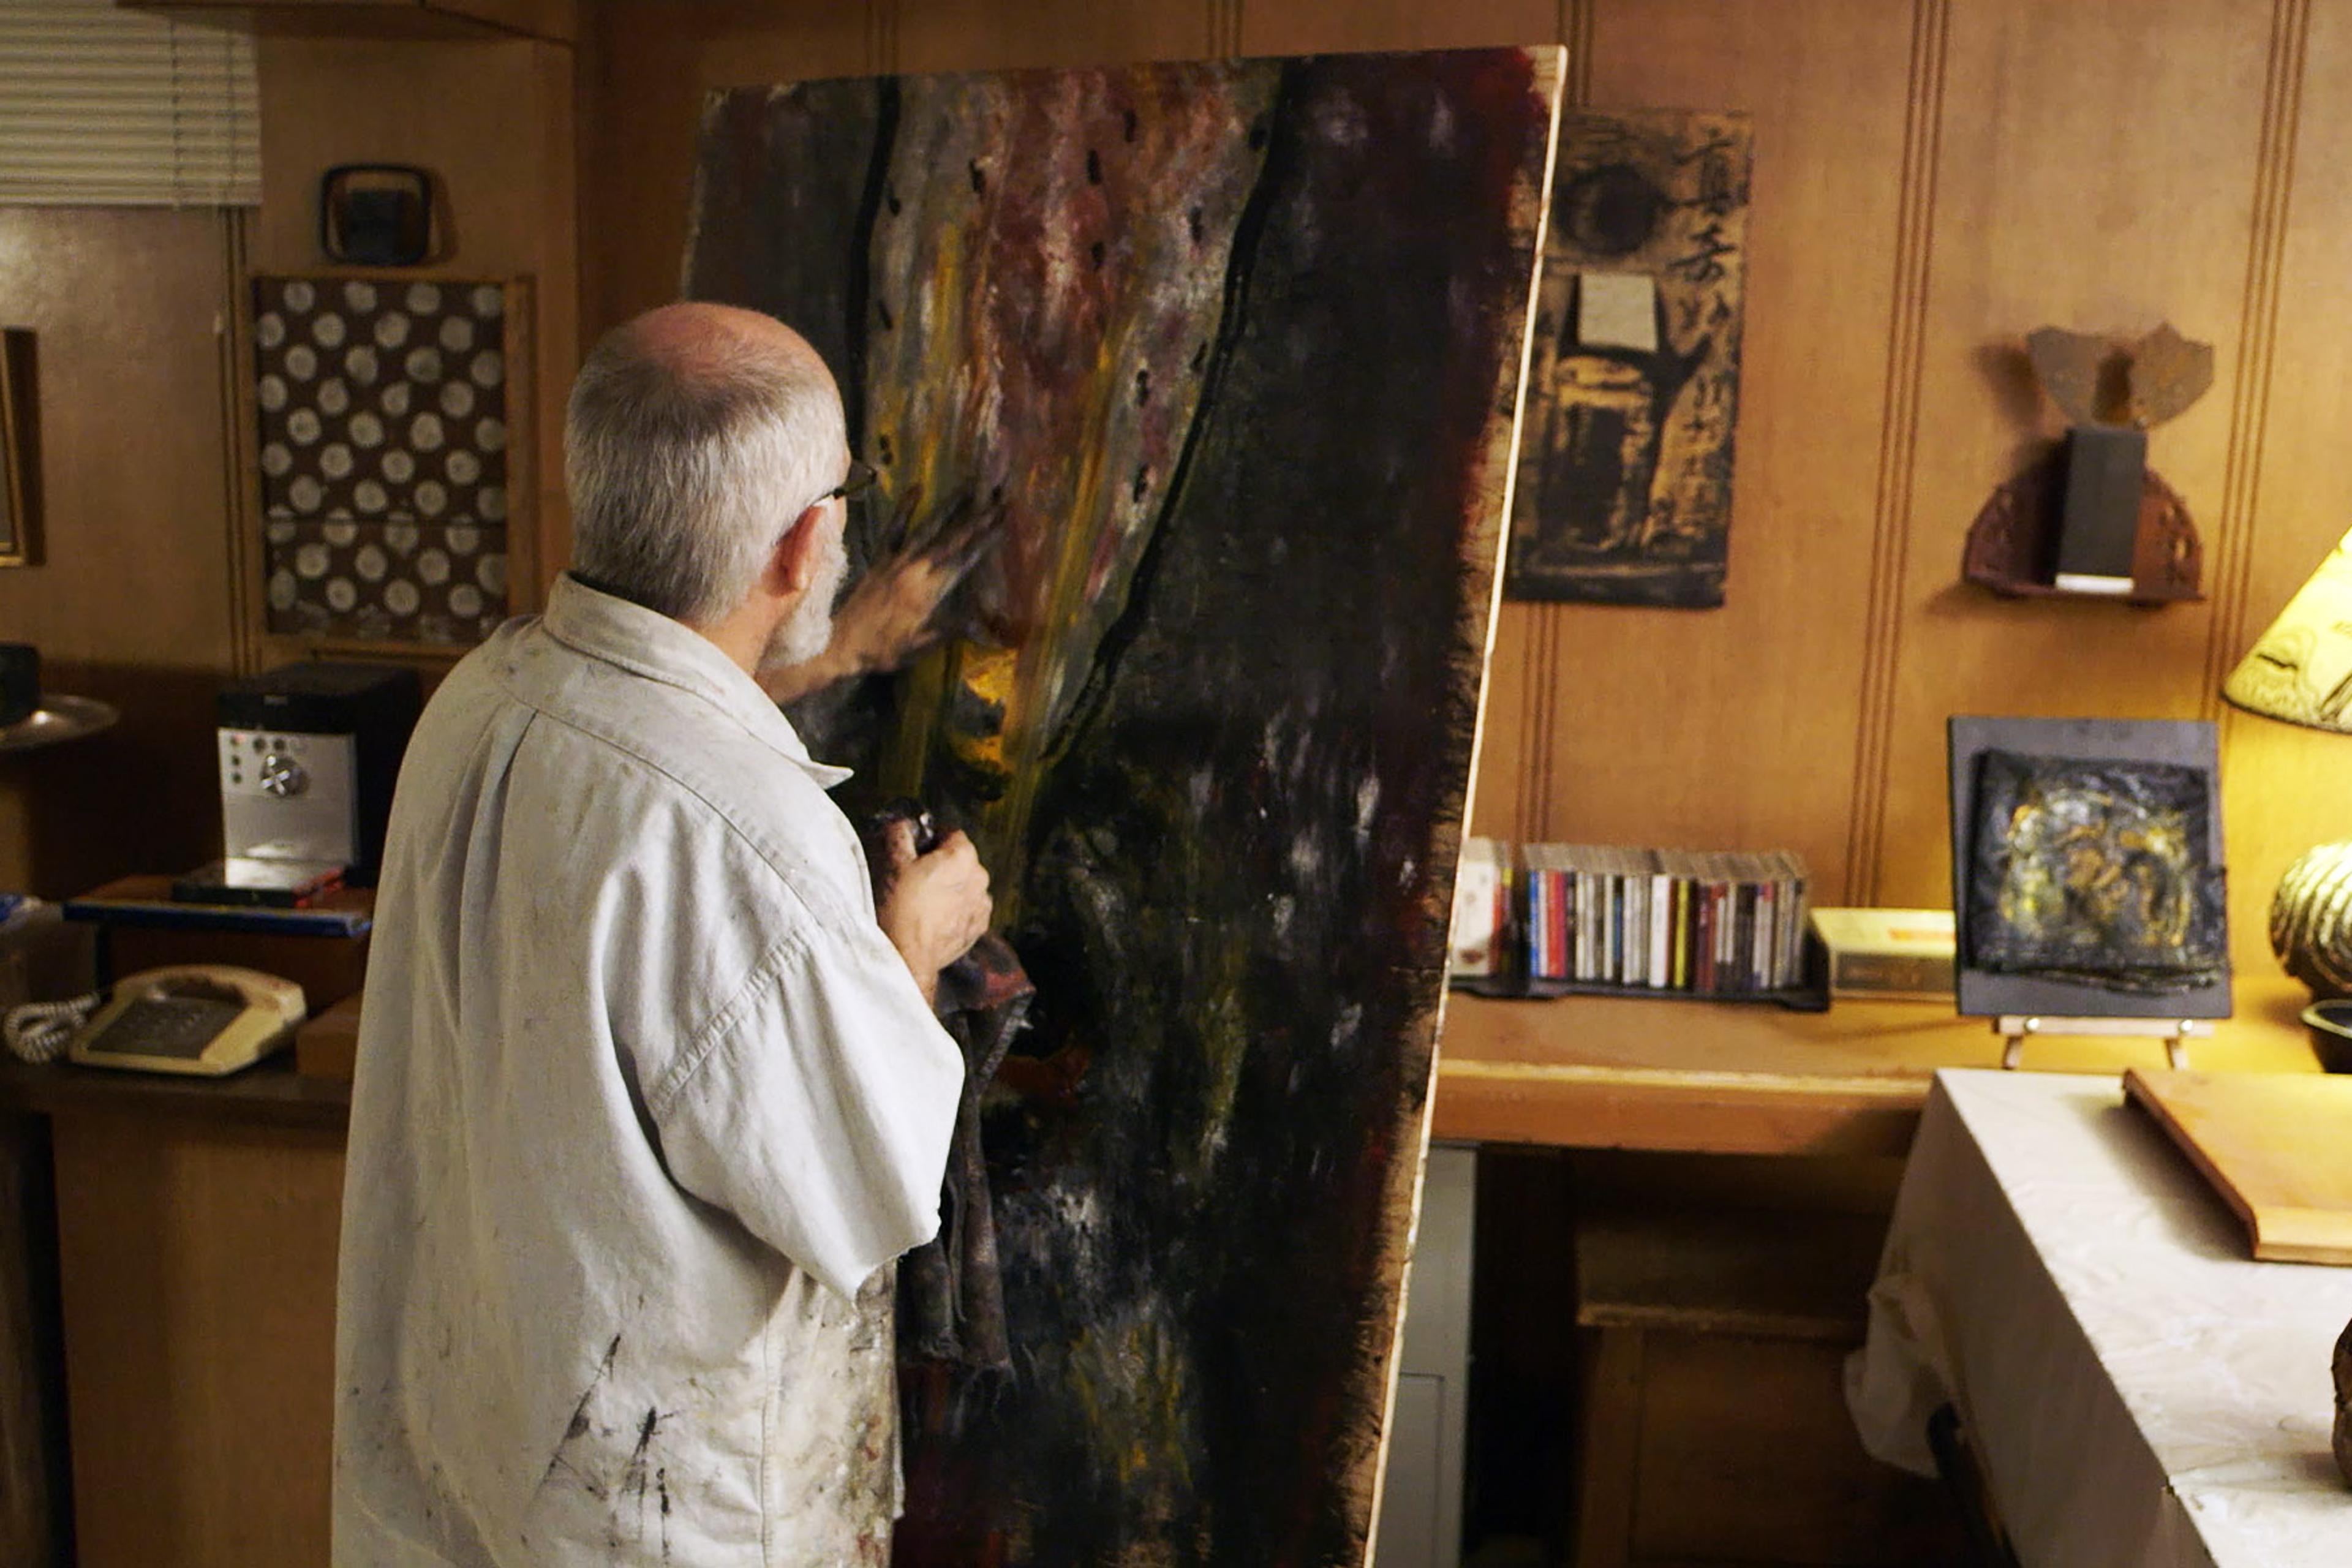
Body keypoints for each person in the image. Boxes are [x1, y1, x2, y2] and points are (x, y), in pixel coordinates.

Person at [333, 302, 993, 1566]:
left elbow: (636, 719)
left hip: (471, 1464)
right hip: (651, 1520)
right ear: (803, 541)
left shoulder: (484, 692)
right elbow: (869, 1181)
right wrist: (910, 946)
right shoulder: (745, 838)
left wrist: (827, 658)